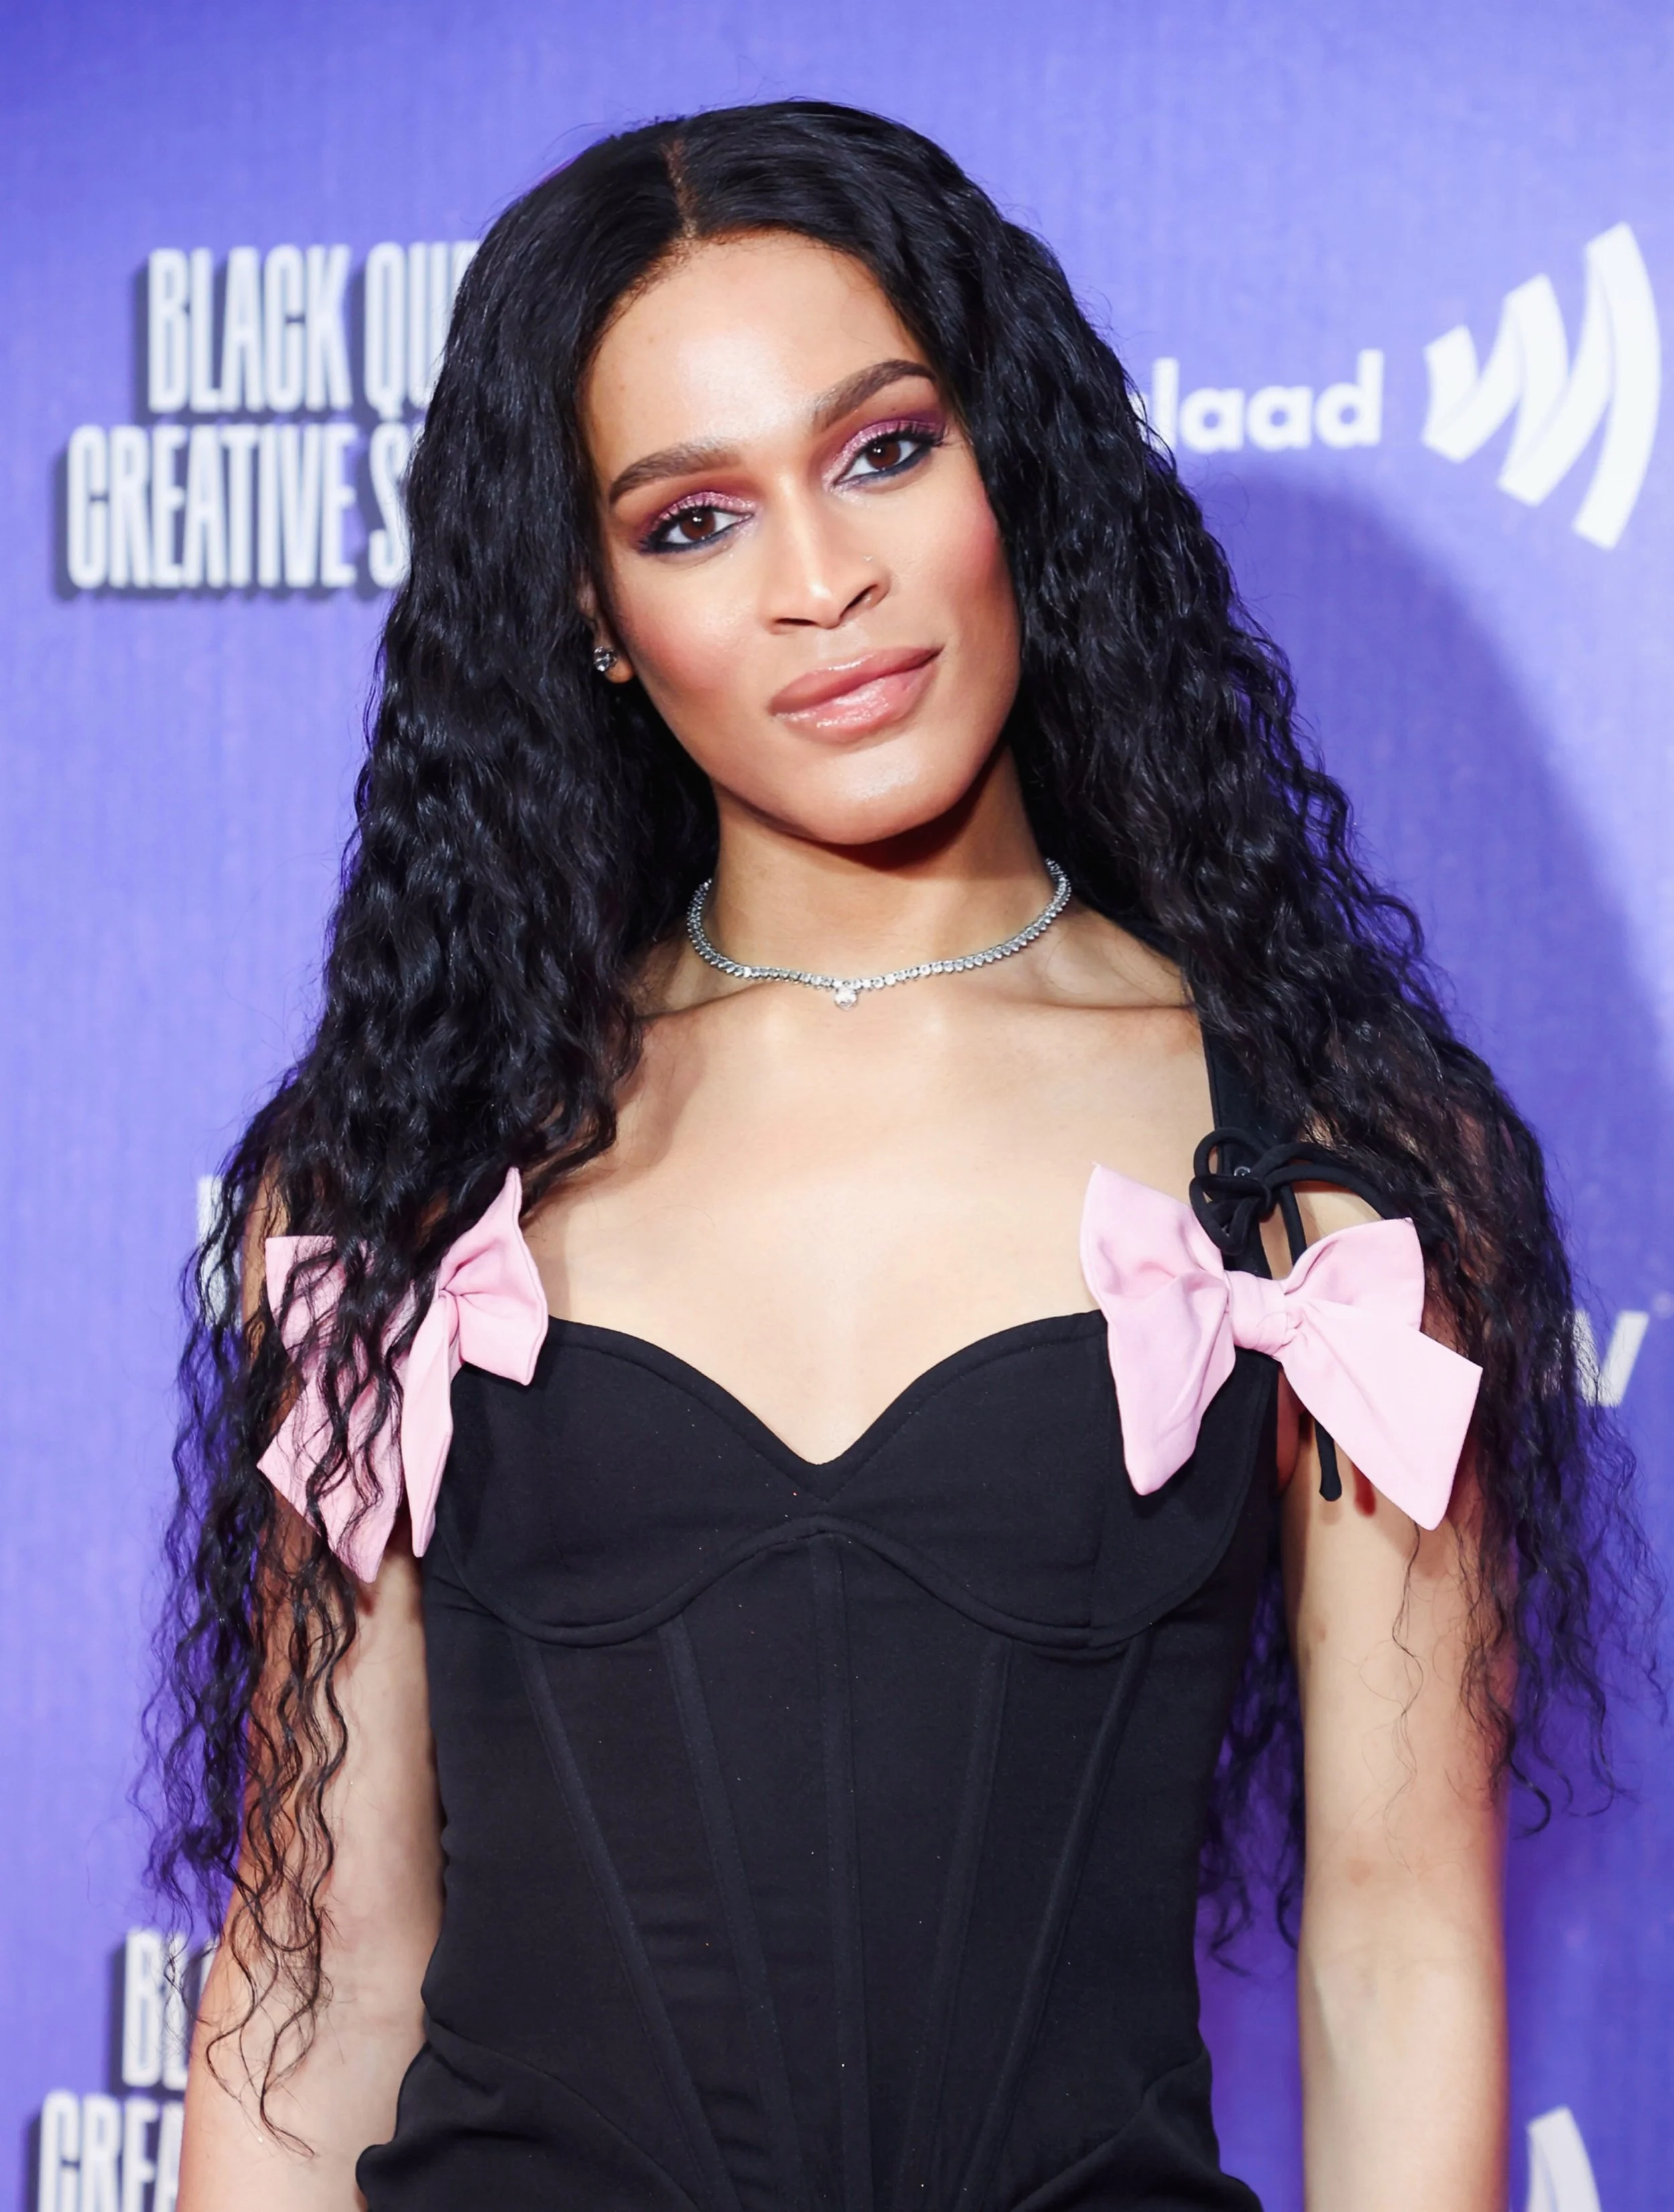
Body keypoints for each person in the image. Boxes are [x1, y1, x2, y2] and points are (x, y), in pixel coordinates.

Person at [153, 100, 1649, 2212]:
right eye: (691, 521)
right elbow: (315, 1959)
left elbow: (1394, 1954)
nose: (821, 580)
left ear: (1003, 474)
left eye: (880, 452)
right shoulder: (405, 1177)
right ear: (591, 611)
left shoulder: (1333, 1171)